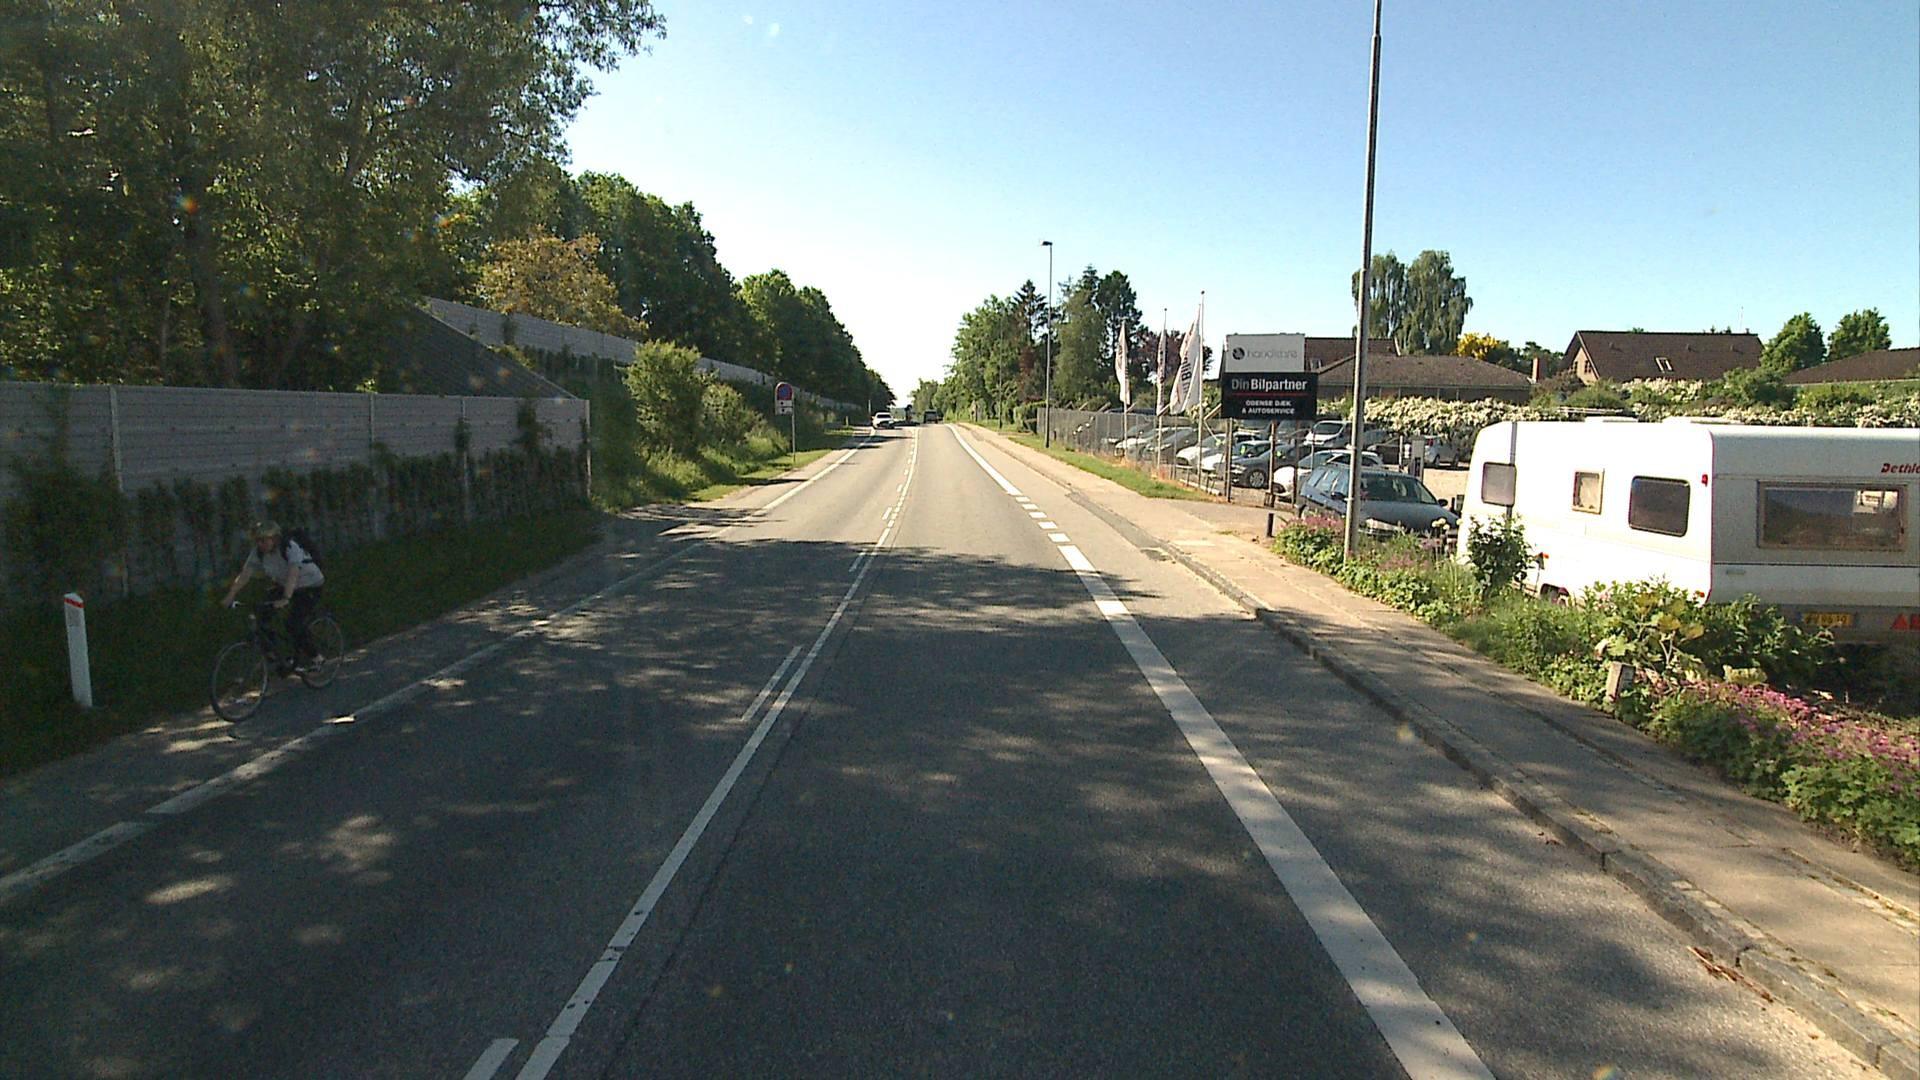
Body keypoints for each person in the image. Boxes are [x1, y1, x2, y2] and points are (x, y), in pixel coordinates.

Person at [220, 520, 325, 673]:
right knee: (261, 618)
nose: (260, 544)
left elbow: (294, 572)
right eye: (257, 541)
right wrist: (231, 595)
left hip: (309, 585)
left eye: (263, 540)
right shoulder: (258, 552)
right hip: (285, 584)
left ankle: (317, 658)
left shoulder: (289, 547)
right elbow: (245, 575)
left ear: (274, 538)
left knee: (293, 624)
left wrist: (286, 598)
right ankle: (278, 658)